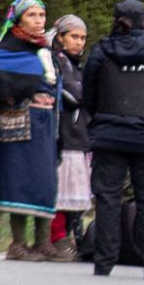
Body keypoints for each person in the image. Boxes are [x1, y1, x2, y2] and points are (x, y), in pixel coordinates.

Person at [83, 0, 144, 279]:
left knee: (107, 199)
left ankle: (104, 263)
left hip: (109, 135)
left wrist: (101, 121)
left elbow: (89, 95)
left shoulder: (101, 52)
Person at [0, 0, 64, 262]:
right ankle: (18, 243)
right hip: (16, 126)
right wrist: (9, 92)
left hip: (45, 126)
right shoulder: (4, 51)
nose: (38, 21)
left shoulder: (45, 50)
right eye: (32, 16)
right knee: (19, 180)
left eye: (42, 16)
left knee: (45, 181)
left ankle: (43, 242)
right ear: (18, 19)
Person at [48, 15, 92, 259]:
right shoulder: (58, 61)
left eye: (83, 38)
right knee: (63, 189)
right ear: (61, 37)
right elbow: (75, 94)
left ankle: (73, 237)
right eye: (74, 36)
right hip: (65, 134)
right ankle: (57, 238)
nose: (79, 42)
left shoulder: (75, 63)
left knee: (75, 190)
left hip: (79, 134)